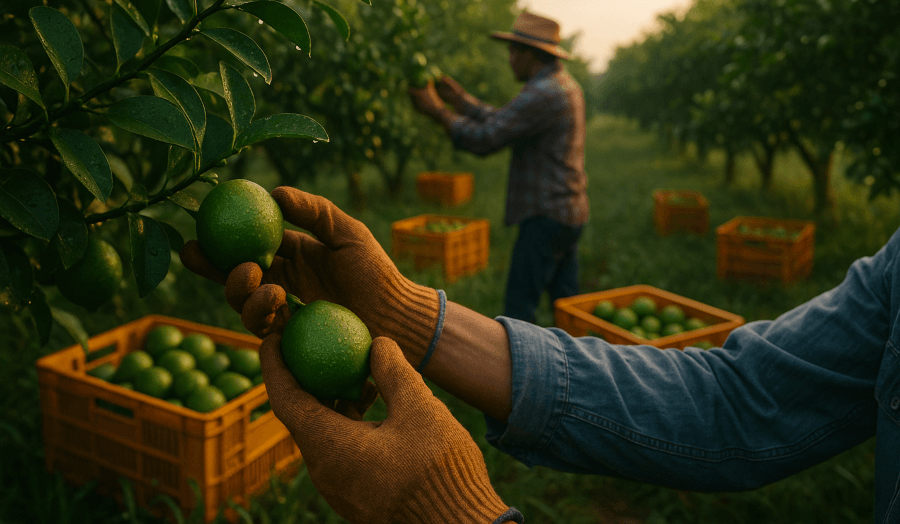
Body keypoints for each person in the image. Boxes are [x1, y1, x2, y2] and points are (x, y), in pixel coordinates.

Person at [181, 186, 899, 524]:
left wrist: (441, 510)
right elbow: (740, 400)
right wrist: (402, 313)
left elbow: (487, 129)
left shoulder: (544, 93)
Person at [408, 11, 589, 324]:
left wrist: (437, 111)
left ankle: (522, 358)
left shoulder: (542, 93)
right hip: (569, 211)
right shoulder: (562, 85)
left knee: (518, 312)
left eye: (514, 51)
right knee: (566, 304)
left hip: (545, 217)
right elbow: (507, 120)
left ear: (531, 55)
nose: (509, 59)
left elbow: (486, 138)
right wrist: (461, 101)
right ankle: (577, 351)